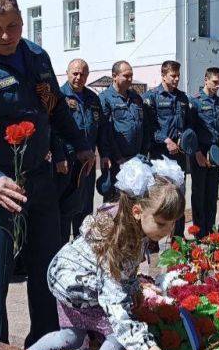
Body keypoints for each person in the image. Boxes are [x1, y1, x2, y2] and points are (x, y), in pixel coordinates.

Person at [0, 0, 95, 346]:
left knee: (47, 264)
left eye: (14, 26)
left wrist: (80, 145)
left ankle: (44, 343)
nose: (7, 36)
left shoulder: (37, 57)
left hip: (39, 179)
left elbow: (54, 107)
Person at [28, 157, 183, 350]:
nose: (168, 230)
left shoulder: (129, 223)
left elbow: (123, 276)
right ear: (137, 211)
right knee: (116, 334)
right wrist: (145, 348)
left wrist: (135, 287)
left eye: (173, 222)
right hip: (74, 282)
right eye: (161, 223)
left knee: (70, 337)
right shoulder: (120, 243)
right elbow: (114, 302)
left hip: (68, 275)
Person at [50, 58, 103, 243]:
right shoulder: (59, 97)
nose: (79, 77)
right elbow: (53, 130)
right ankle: (63, 253)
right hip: (67, 163)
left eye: (82, 74)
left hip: (87, 165)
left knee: (85, 210)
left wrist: (103, 156)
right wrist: (59, 156)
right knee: (65, 212)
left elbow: (100, 130)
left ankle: (82, 252)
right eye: (75, 73)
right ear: (67, 73)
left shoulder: (93, 99)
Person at [143, 60, 192, 238]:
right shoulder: (152, 97)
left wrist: (183, 140)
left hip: (178, 156)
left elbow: (188, 125)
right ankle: (154, 237)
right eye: (173, 75)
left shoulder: (183, 98)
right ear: (163, 75)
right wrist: (166, 140)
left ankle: (177, 237)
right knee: (159, 198)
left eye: (178, 75)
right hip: (160, 156)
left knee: (178, 196)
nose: (177, 79)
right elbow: (149, 128)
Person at [98, 61, 148, 201]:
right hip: (117, 162)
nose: (130, 79)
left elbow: (143, 126)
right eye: (126, 76)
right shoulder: (105, 98)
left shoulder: (136, 98)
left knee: (134, 205)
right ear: (114, 76)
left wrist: (142, 154)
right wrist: (117, 157)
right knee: (114, 205)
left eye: (131, 75)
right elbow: (105, 132)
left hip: (136, 160)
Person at [189, 67, 219, 234]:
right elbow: (189, 131)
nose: (217, 86)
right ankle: (199, 232)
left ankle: (211, 232)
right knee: (199, 194)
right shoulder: (195, 101)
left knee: (212, 194)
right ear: (206, 80)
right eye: (214, 82)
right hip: (200, 152)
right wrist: (197, 152)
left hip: (215, 153)